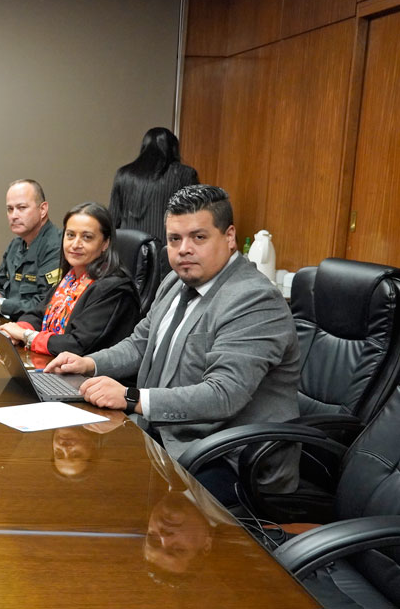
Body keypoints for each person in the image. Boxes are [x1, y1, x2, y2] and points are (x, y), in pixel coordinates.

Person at [46, 185, 299, 503]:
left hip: (227, 458)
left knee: (114, 502)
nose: (184, 250)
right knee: (77, 476)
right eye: (175, 239)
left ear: (230, 237)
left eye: (199, 237)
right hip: (164, 434)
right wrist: (89, 363)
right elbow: (140, 344)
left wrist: (131, 397)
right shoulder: (175, 281)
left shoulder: (253, 299)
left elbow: (223, 395)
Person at [0, 202, 139, 356]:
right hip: (53, 363)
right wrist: (16, 331)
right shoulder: (71, 279)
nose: (75, 244)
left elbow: (77, 345)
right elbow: (37, 314)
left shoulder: (114, 289)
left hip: (86, 370)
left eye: (87, 237)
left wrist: (26, 336)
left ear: (105, 243)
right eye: (70, 235)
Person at [0, 179, 61, 318]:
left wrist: (1, 304)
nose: (14, 216)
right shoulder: (15, 245)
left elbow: (46, 305)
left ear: (43, 209)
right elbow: (2, 288)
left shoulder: (56, 246)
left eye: (22, 208)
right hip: (9, 323)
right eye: (10, 209)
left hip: (33, 327)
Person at [108, 127, 199, 249]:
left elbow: (113, 220)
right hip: (167, 249)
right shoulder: (184, 174)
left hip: (128, 249)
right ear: (173, 149)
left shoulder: (124, 174)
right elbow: (195, 218)